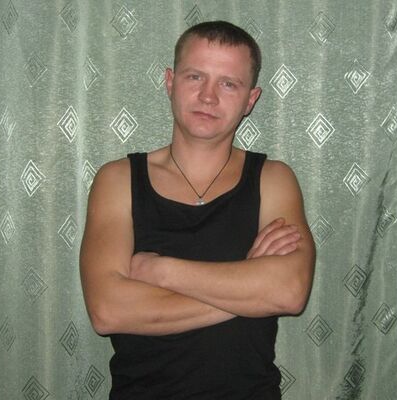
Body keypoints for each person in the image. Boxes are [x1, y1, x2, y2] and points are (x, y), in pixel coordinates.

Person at [80, 20, 315, 399]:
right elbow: (108, 311)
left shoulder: (273, 179)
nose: (208, 96)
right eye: (195, 77)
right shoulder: (118, 179)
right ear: (170, 82)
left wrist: (161, 270)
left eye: (228, 83)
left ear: (250, 99)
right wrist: (249, 288)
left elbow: (288, 292)